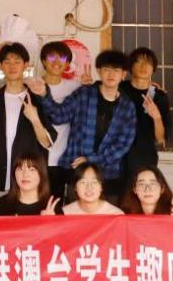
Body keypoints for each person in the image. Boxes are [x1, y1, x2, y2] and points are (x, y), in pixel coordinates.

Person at [30, 49, 135, 203]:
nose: (111, 74)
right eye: (106, 69)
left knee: (106, 214)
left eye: (116, 70)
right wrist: (44, 95)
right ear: (99, 71)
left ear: (123, 74)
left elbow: (123, 145)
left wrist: (90, 159)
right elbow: (59, 116)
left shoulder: (127, 106)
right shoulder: (84, 93)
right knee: (74, 214)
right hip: (77, 172)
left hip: (109, 174)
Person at [0, 42, 56, 201]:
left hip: (28, 181)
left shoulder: (37, 99)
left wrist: (34, 119)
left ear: (26, 65)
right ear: (1, 66)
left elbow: (47, 142)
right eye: (7, 62)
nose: (12, 66)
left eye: (17, 61)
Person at [36, 41, 82, 201]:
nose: (56, 62)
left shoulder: (76, 87)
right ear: (43, 61)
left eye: (62, 58)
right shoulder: (33, 85)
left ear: (68, 63)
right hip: (37, 158)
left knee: (58, 204)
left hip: (65, 159)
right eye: (51, 57)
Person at [119, 47, 171, 178]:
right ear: (130, 66)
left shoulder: (159, 97)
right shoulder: (119, 90)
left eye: (148, 63)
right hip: (116, 158)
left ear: (153, 68)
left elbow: (160, 139)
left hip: (145, 159)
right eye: (139, 62)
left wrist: (157, 117)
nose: (143, 66)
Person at [0, 151, 61, 216]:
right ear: (14, 174)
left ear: (42, 174)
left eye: (32, 169)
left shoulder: (52, 208)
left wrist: (50, 222)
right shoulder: (0, 205)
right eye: (20, 169)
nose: (25, 174)